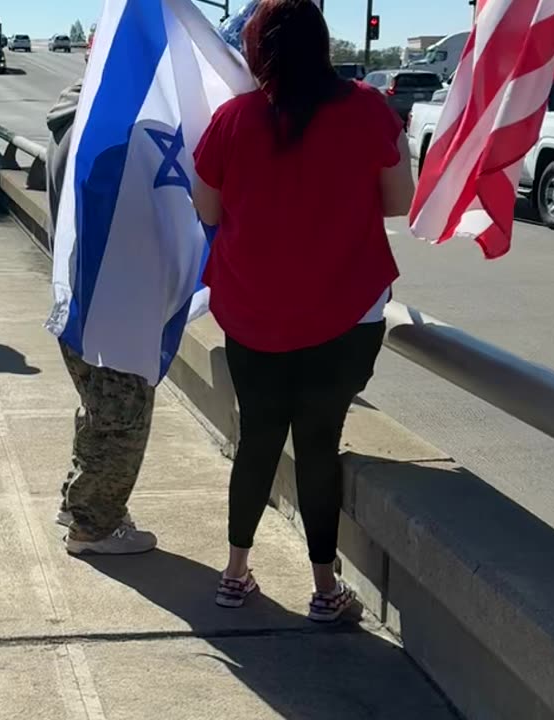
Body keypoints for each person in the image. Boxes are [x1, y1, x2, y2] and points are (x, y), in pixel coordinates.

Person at [191, 0, 415, 621]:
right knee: (319, 443)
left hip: (254, 312)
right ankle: (324, 589)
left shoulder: (233, 119)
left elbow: (207, 212)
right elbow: (398, 202)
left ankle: (234, 574)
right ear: (323, 44)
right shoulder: (368, 107)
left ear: (257, 51)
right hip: (344, 316)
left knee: (258, 436)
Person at [45, 79, 158, 556]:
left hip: (78, 299)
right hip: (108, 304)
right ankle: (94, 527)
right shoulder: (107, 135)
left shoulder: (73, 120)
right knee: (122, 417)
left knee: (99, 413)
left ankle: (79, 503)